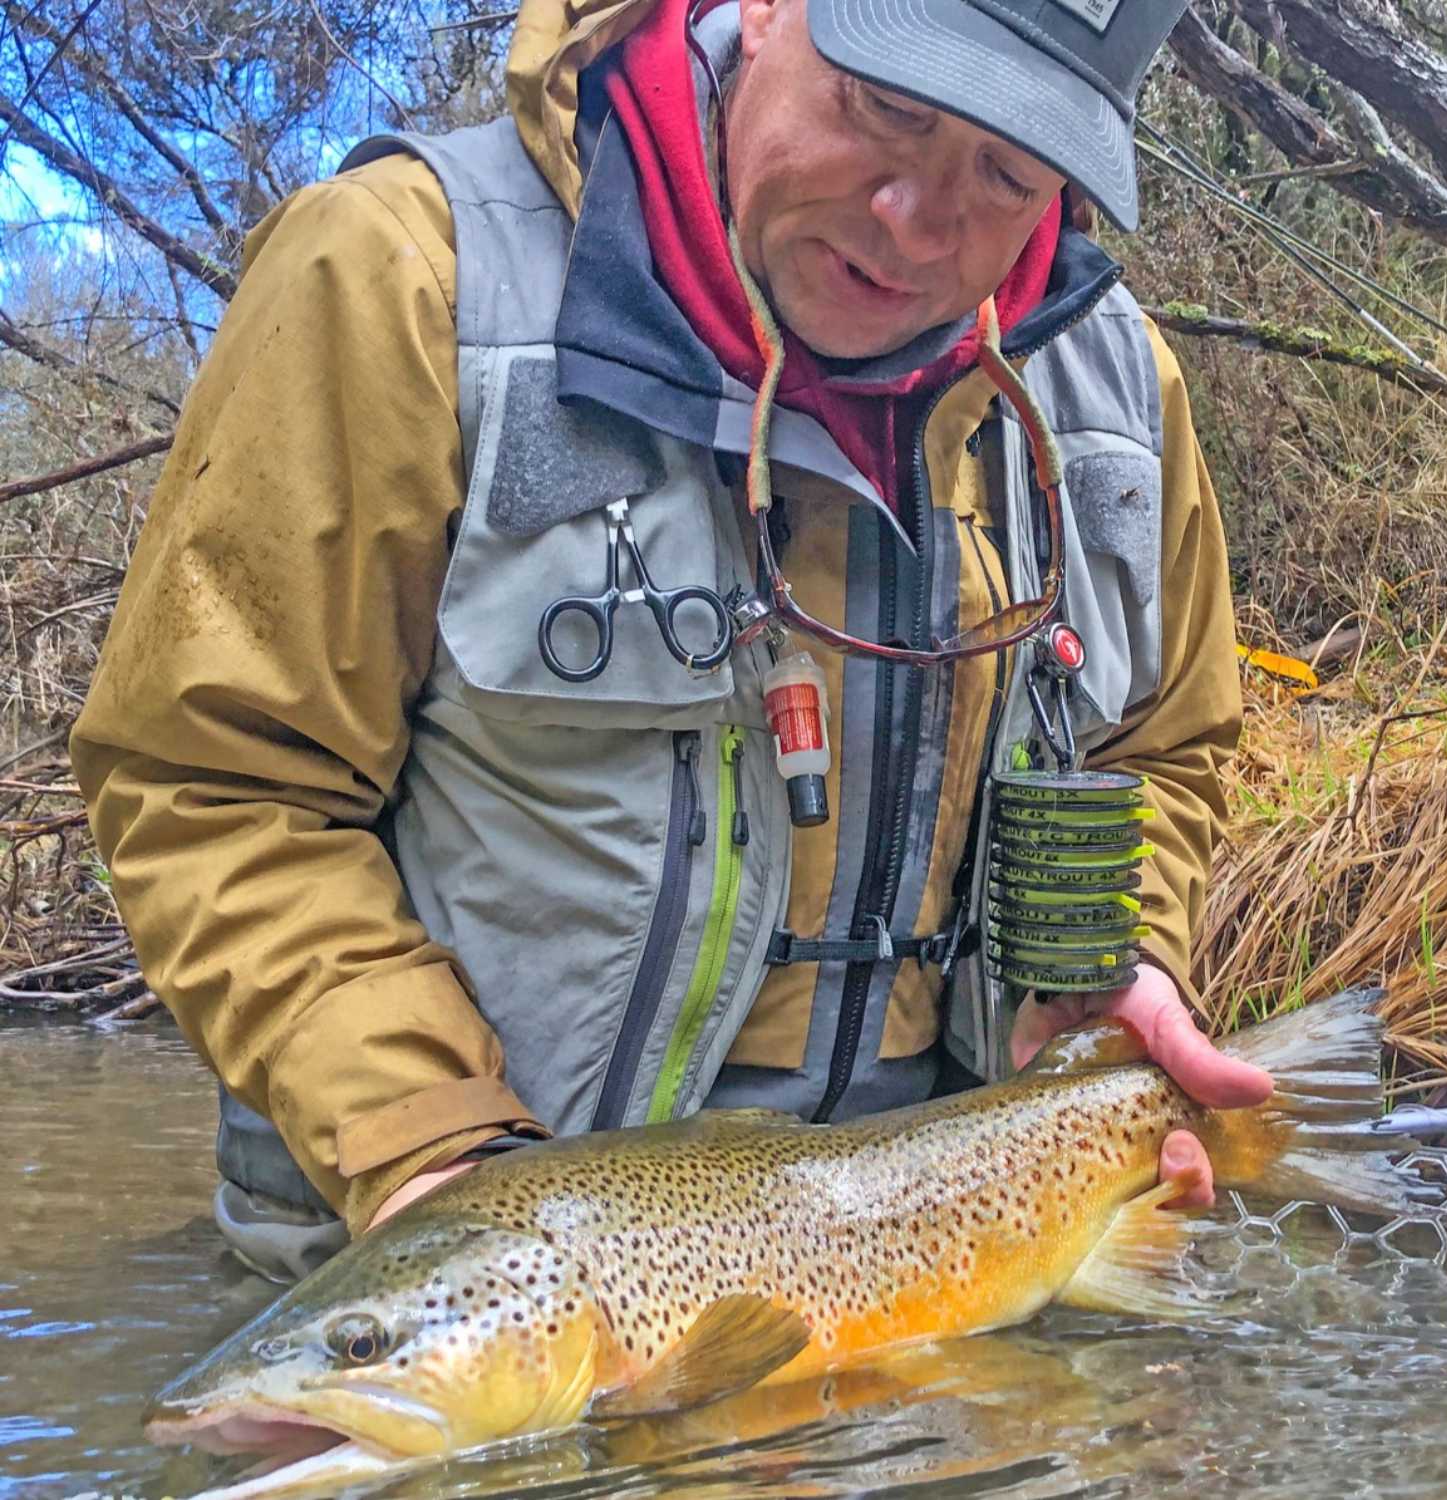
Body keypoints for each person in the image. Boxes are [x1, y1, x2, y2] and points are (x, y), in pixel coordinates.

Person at [72, 0, 1272, 1283]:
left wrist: (1100, 963)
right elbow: (221, 786)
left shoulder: (1115, 389)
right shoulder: (400, 276)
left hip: (934, 1273)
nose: (920, 221)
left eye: (1007, 171)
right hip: (473, 1271)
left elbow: (1163, 743)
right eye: (890, 107)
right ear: (763, 12)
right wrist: (432, 1159)